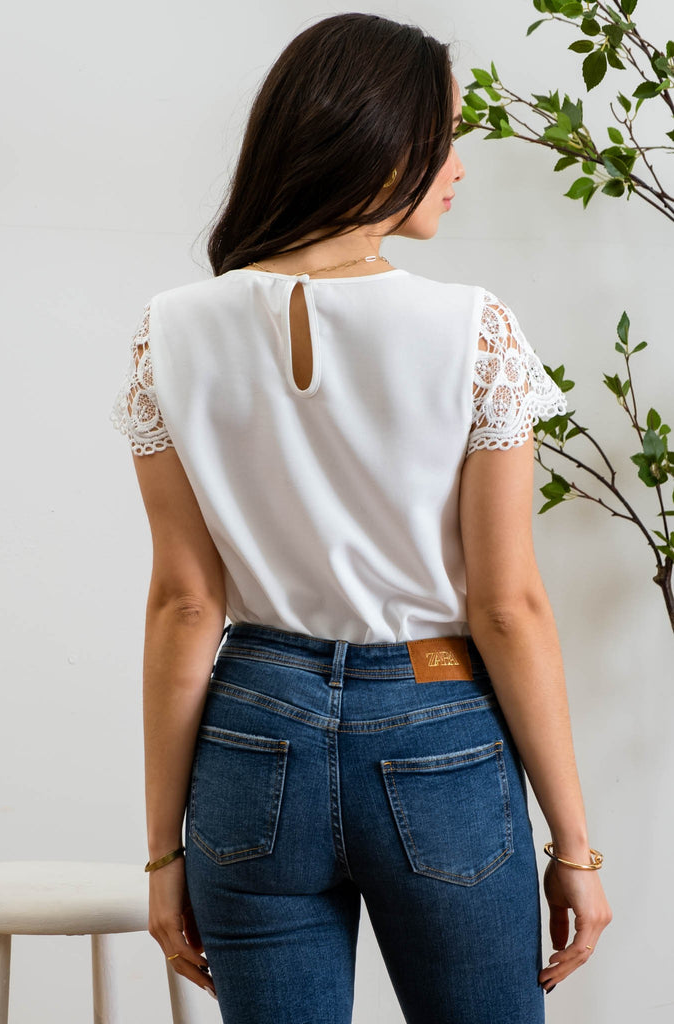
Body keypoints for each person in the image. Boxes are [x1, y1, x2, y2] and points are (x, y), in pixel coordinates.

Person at [110, 12, 612, 1023]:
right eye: (444, 137)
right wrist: (575, 848)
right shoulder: (472, 330)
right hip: (435, 724)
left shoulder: (169, 331)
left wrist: (163, 856)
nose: (458, 166)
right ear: (380, 142)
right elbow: (505, 604)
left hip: (250, 731)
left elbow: (184, 604)